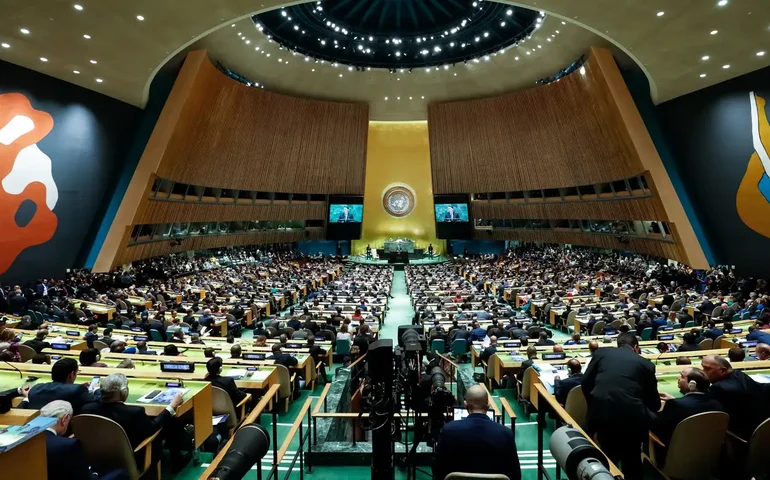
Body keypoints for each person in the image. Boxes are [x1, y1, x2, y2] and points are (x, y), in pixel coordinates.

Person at [581, 333, 660, 479]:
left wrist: (594, 404)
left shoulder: (602, 353)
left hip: (602, 412)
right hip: (632, 419)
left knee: (606, 456)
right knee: (632, 459)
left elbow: (585, 382)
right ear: (636, 347)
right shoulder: (646, 364)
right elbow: (654, 403)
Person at [81, 373, 186, 470]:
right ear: (124, 392)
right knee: (171, 423)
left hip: (95, 458)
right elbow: (152, 428)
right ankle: (177, 461)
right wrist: (171, 407)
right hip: (132, 460)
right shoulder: (134, 412)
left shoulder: (87, 409)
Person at [433, 384, 520, 480]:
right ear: (488, 406)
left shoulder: (448, 430)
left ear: (465, 405)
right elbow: (515, 476)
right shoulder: (506, 434)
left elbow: (437, 471)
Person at [40, 400, 115, 480]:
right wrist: (94, 474)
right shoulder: (69, 445)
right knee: (120, 473)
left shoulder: (27, 439)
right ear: (64, 419)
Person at [701, 354, 770, 439]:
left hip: (743, 434)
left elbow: (707, 410)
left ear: (723, 370)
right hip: (763, 427)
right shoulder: (739, 374)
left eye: (707, 369)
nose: (703, 371)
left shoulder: (718, 388)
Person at [653, 368, 722, 445]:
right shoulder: (716, 404)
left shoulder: (675, 405)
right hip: (708, 449)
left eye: (682, 376)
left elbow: (659, 428)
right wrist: (675, 400)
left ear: (692, 385)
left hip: (676, 450)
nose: (678, 378)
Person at [26, 358, 100, 414]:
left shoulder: (35, 388)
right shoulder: (78, 390)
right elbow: (99, 399)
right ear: (71, 374)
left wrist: (74, 386)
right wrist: (96, 388)